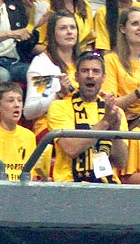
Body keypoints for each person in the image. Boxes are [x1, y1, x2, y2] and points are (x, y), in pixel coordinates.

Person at [45, 49, 128, 183]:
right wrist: (105, 123)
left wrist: (116, 130)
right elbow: (71, 148)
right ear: (76, 76)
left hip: (108, 187)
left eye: (96, 71)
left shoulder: (116, 111)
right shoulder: (59, 107)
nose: (90, 75)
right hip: (71, 186)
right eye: (85, 71)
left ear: (103, 77)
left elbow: (121, 162)